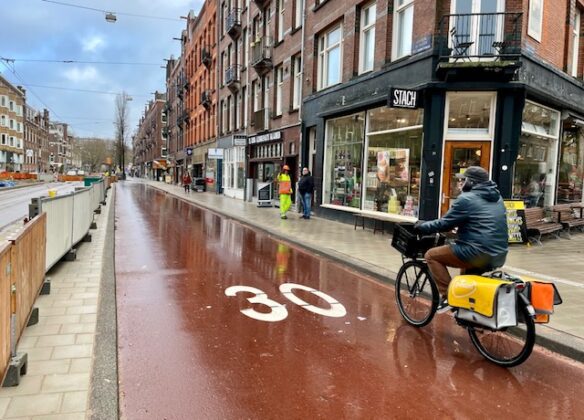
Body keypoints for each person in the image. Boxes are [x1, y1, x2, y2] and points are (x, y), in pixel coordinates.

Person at [413, 166, 508, 311]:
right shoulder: (497, 198)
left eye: (463, 180)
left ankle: (449, 297)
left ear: (471, 182)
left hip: (477, 252)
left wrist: (422, 226)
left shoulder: (466, 199)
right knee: (467, 281)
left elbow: (444, 224)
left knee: (431, 255)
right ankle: (471, 318)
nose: (460, 183)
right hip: (499, 253)